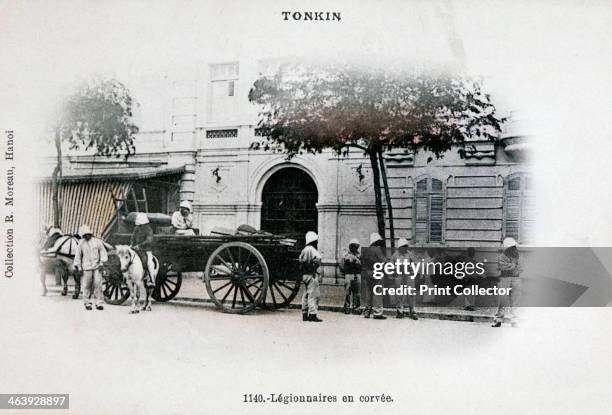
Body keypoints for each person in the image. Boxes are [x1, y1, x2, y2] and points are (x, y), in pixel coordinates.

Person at [73, 225, 108, 311]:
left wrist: (102, 262)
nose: (87, 236)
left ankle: (99, 303)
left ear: (90, 234)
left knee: (98, 284)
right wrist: (79, 267)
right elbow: (78, 255)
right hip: (86, 267)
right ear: (83, 236)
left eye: (88, 234)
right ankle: (87, 302)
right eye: (85, 235)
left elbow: (103, 252)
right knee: (86, 285)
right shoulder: (81, 243)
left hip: (97, 266)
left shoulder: (97, 242)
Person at [492, 237, 522, 327]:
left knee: (515, 302)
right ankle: (498, 320)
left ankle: (514, 321)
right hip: (505, 279)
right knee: (502, 301)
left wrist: (512, 266)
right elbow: (502, 266)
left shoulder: (517, 256)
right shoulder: (502, 256)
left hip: (515, 279)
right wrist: (513, 266)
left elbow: (521, 268)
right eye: (512, 247)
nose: (514, 249)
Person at [360, 232, 387, 320]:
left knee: (369, 293)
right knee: (377, 292)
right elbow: (384, 261)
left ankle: (367, 312)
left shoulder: (366, 250)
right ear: (376, 242)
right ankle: (377, 312)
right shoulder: (377, 250)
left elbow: (362, 262)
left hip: (367, 274)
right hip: (377, 273)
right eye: (378, 241)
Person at [390, 238, 418, 320]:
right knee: (399, 294)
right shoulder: (395, 255)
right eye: (403, 246)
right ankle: (400, 311)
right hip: (399, 275)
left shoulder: (410, 254)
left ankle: (412, 311)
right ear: (399, 247)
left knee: (411, 293)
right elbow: (390, 265)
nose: (405, 248)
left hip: (408, 275)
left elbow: (415, 263)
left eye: (406, 246)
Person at [300, 231, 323, 322]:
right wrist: (315, 269)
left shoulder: (304, 250)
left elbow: (301, 261)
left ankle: (304, 313)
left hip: (305, 275)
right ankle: (313, 314)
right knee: (313, 295)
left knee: (306, 294)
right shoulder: (312, 250)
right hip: (311, 275)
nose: (317, 242)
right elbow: (317, 260)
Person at [130, 212, 155, 288]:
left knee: (149, 263)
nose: (140, 226)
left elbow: (149, 240)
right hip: (136, 249)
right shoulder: (136, 228)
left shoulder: (148, 229)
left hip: (146, 250)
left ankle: (151, 279)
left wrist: (140, 245)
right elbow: (133, 237)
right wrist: (132, 244)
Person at [339, 238, 361, 315]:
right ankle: (347, 307)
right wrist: (344, 274)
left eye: (356, 246)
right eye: (353, 246)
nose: (355, 247)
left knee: (357, 293)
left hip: (357, 275)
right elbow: (341, 265)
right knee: (347, 292)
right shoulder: (345, 255)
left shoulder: (359, 255)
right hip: (349, 275)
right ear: (350, 246)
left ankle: (356, 308)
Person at [458, 247, 478, 311]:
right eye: (471, 252)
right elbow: (462, 270)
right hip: (467, 278)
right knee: (467, 292)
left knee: (472, 292)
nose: (472, 254)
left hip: (473, 278)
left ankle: (471, 305)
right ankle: (467, 305)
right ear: (468, 253)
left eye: (473, 252)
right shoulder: (466, 261)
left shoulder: (475, 261)